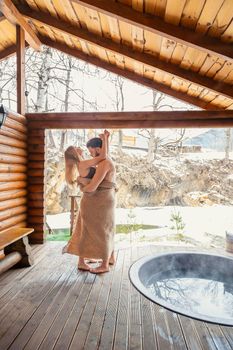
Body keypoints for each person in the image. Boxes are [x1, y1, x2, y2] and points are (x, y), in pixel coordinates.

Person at [63, 130, 116, 274]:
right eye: (80, 149)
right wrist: (104, 139)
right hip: (95, 201)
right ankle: (105, 260)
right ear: (75, 154)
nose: (86, 151)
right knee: (98, 230)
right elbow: (92, 186)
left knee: (102, 230)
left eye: (89, 149)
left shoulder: (101, 162)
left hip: (101, 201)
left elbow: (103, 156)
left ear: (96, 148)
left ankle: (107, 259)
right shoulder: (88, 163)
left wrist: (105, 139)